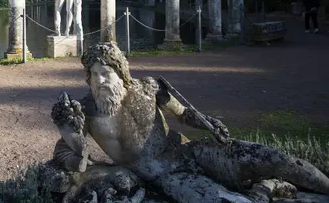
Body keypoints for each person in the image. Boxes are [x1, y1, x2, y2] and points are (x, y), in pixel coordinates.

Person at [51, 43, 329, 203]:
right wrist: (74, 147)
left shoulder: (149, 88)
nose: (99, 81)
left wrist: (209, 122)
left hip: (190, 151)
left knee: (272, 157)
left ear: (121, 72)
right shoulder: (84, 110)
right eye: (94, 74)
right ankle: (266, 189)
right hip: (164, 176)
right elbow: (65, 150)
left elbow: (183, 113)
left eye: (106, 73)